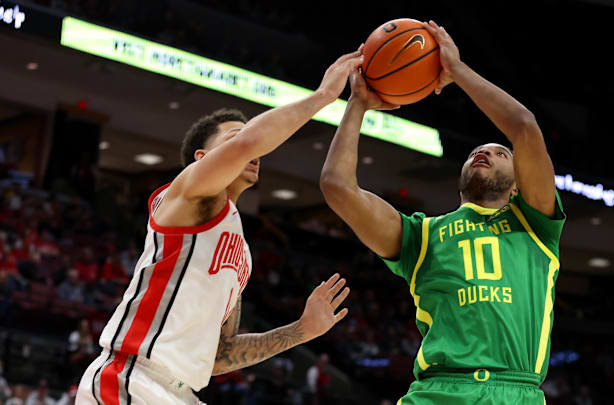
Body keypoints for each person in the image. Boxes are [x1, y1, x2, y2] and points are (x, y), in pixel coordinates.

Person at [76, 47, 362, 404]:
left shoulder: (241, 250)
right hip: (131, 379)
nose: (251, 149)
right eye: (232, 139)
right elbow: (251, 141)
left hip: (180, 392)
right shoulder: (187, 193)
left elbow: (219, 354)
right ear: (201, 159)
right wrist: (323, 97)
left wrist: (300, 331)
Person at [320, 21, 565, 405]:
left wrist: (457, 71)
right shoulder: (423, 236)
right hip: (437, 391)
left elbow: (524, 127)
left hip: (515, 392)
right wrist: (357, 105)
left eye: (501, 154)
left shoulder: (535, 223)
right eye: (475, 153)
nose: (483, 153)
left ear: (519, 185)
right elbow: (338, 188)